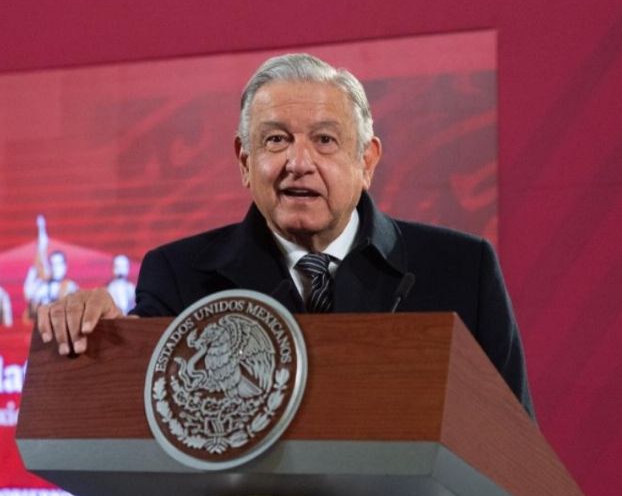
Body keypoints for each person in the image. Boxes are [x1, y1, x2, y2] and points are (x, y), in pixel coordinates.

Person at [37, 54, 534, 417]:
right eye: (276, 139)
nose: (299, 163)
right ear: (244, 161)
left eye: (324, 139)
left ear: (366, 161)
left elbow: (513, 454)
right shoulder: (179, 275)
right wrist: (100, 340)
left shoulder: (462, 270)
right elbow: (140, 417)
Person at [24, 215, 79, 318]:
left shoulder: (69, 286)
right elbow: (29, 295)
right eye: (52, 264)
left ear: (65, 266)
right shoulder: (41, 286)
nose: (55, 268)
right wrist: (35, 269)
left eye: (58, 264)